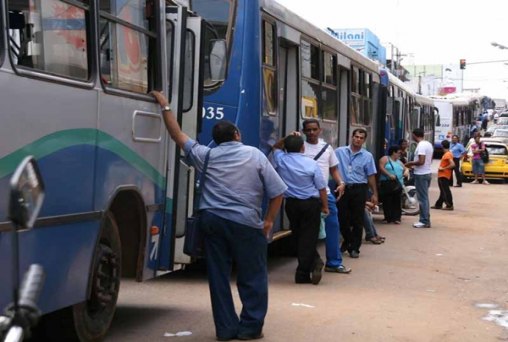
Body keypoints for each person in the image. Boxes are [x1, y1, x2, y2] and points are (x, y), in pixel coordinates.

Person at [151, 91, 286, 341]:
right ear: (237, 135)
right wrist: (268, 221)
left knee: (218, 276)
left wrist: (166, 106)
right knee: (252, 275)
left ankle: (225, 329)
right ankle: (250, 328)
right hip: (246, 223)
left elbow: (177, 135)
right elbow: (278, 191)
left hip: (212, 222)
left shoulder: (206, 155)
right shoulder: (255, 155)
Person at [272, 135, 328, 285]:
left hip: (291, 204)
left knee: (297, 234)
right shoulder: (311, 164)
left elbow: (275, 147)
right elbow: (321, 187)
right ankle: (303, 272)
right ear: (303, 148)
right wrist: (325, 206)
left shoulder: (281, 159)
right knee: (308, 237)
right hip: (310, 204)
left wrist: (286, 137)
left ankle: (314, 261)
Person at [301, 119, 351, 273]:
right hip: (307, 195)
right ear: (304, 131)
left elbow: (333, 169)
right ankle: (308, 264)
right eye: (308, 130)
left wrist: (340, 182)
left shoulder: (327, 148)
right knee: (307, 231)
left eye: (314, 129)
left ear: (320, 130)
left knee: (333, 227)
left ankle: (334, 262)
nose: (311, 133)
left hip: (326, 195)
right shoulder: (299, 146)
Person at [335, 128, 378, 258]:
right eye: (356, 137)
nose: (358, 140)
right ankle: (348, 240)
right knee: (342, 218)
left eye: (361, 138)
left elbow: (371, 176)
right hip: (343, 188)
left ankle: (355, 248)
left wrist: (374, 193)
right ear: (352, 137)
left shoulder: (367, 156)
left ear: (364, 141)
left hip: (359, 189)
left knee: (357, 219)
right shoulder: (339, 152)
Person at [405, 128, 433, 229]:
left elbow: (421, 161)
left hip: (421, 174)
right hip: (427, 172)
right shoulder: (428, 144)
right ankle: (425, 219)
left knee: (422, 198)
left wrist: (410, 163)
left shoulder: (421, 146)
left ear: (414, 135)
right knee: (424, 197)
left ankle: (424, 221)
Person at [378, 145, 408, 224]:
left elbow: (406, 168)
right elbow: (381, 167)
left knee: (397, 201)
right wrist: (389, 175)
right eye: (398, 153)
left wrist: (406, 172)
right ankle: (388, 217)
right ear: (393, 152)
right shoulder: (385, 159)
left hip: (398, 184)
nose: (399, 155)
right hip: (387, 183)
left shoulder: (399, 162)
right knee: (387, 200)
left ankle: (397, 218)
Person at [431, 140, 455, 210]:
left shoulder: (447, 154)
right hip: (444, 175)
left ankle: (449, 205)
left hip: (443, 175)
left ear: (442, 146)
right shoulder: (447, 154)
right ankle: (438, 204)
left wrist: (443, 168)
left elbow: (452, 164)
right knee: (443, 190)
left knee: (445, 191)